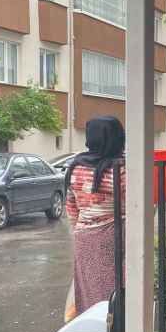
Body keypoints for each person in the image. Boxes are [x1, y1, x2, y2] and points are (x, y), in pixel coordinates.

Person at [65, 116, 126, 315]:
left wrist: (83, 226)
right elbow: (134, 207)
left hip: (83, 237)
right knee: (114, 294)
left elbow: (71, 207)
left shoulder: (75, 166)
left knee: (89, 294)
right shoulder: (120, 169)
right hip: (111, 237)